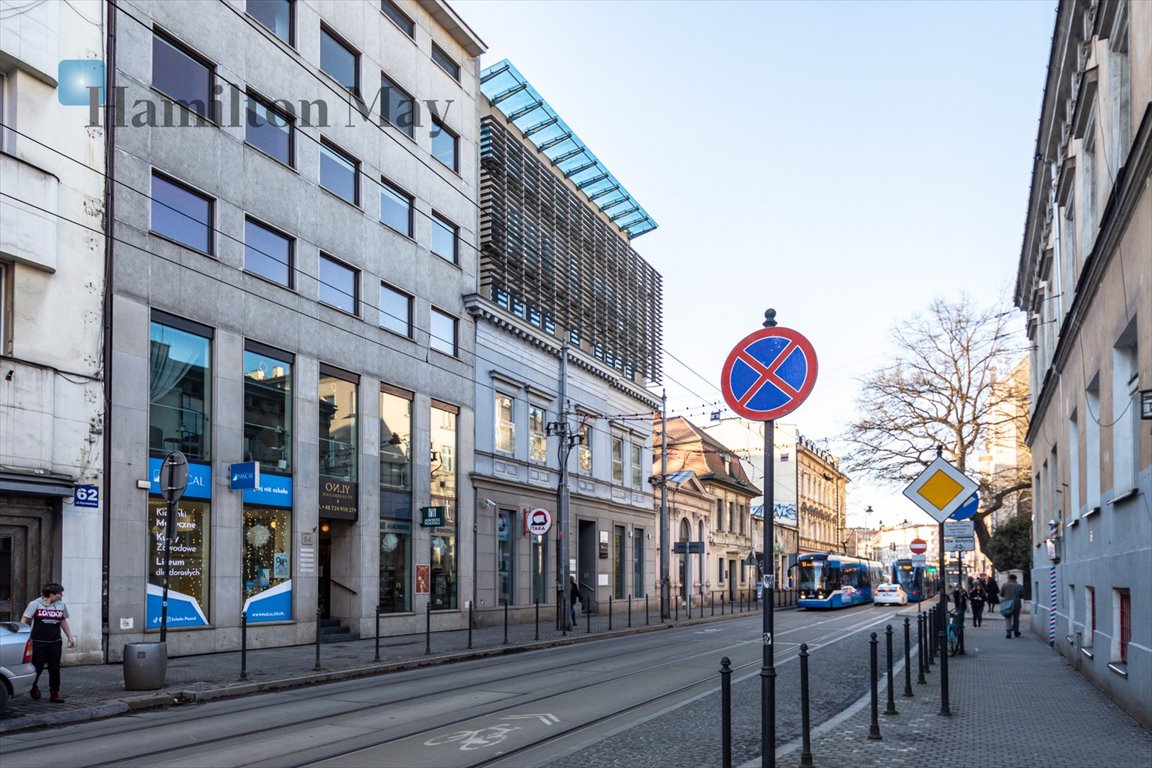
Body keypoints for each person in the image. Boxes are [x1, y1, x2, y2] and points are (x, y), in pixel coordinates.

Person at [20, 582, 75, 703]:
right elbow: (24, 620)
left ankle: (55, 693)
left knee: (54, 669)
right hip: (38, 642)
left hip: (55, 642)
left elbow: (63, 621)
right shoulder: (34, 604)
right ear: (52, 594)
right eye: (60, 593)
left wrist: (70, 637)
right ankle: (33, 686)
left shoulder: (61, 605)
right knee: (37, 668)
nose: (62, 595)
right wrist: (24, 637)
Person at [1000, 573, 1023, 638]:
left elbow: (1001, 594)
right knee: (1016, 618)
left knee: (1008, 617)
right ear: (1016, 579)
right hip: (1016, 603)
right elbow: (1022, 595)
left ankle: (1008, 631)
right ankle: (1016, 631)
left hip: (1007, 603)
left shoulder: (1004, 585)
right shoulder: (1019, 586)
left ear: (1009, 578)